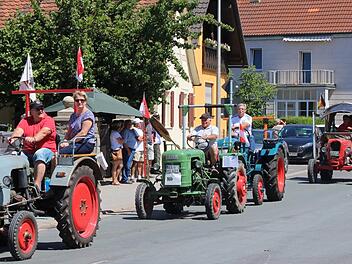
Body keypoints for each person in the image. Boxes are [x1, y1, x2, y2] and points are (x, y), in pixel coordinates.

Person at [9, 100, 57, 191]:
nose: (41, 111)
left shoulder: (49, 120)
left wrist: (34, 139)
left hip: (47, 150)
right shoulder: (25, 121)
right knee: (15, 155)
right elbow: (19, 130)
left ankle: (36, 186)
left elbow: (44, 132)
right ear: (31, 111)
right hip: (29, 152)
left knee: (40, 154)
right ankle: (14, 186)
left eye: (42, 108)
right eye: (38, 109)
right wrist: (13, 138)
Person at [121, 119, 137, 184]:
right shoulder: (126, 131)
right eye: (129, 124)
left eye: (131, 124)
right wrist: (128, 150)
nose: (130, 125)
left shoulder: (131, 131)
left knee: (128, 164)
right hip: (128, 149)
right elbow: (124, 142)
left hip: (132, 149)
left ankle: (126, 177)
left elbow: (137, 138)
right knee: (127, 164)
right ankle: (125, 178)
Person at [110, 120, 124, 185]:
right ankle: (114, 180)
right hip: (116, 150)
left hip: (117, 150)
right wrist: (123, 139)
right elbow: (120, 141)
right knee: (115, 166)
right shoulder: (115, 133)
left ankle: (115, 178)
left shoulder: (113, 133)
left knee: (120, 165)